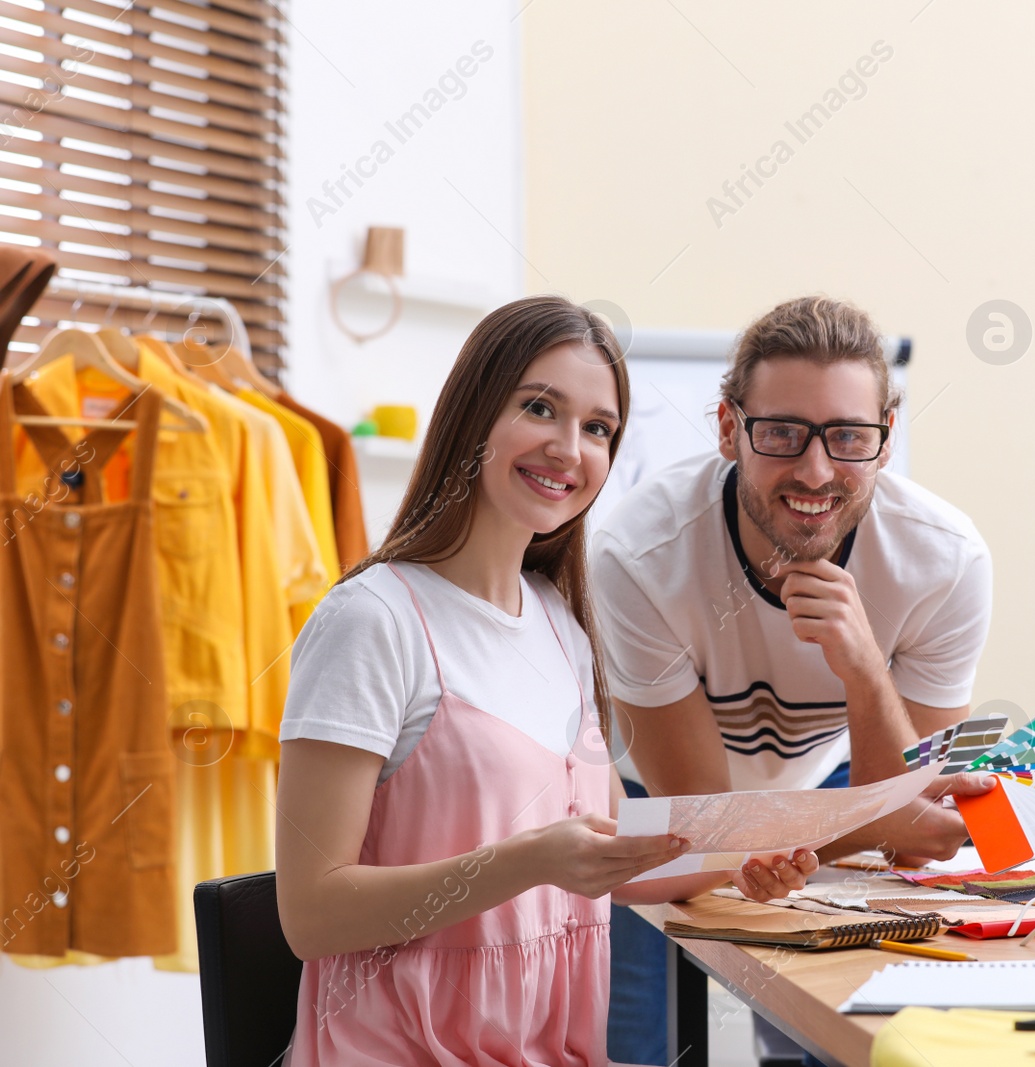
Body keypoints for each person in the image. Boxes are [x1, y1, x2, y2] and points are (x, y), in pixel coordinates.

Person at [274, 296, 818, 1066]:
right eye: (540, 407)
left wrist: (744, 860)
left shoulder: (560, 620)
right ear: (474, 415)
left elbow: (608, 853)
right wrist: (528, 861)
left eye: (599, 428)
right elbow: (311, 914)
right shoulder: (372, 621)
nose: (571, 448)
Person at [593, 295, 995, 1064]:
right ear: (727, 429)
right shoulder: (639, 555)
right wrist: (878, 821)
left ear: (885, 440)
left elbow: (904, 830)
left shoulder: (945, 560)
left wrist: (868, 673)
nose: (816, 470)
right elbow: (705, 821)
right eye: (781, 433)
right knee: (635, 1044)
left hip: (828, 778)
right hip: (654, 796)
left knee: (832, 1029)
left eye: (848, 436)